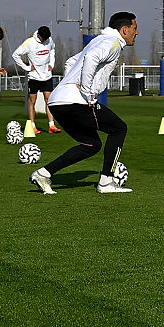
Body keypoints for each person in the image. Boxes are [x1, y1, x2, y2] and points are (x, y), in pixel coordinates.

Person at [31, 11, 140, 193]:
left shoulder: (98, 40)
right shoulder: (113, 43)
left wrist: (70, 85)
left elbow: (70, 62)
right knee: (119, 128)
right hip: (76, 102)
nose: (137, 32)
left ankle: (43, 173)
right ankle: (106, 182)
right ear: (124, 30)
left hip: (58, 102)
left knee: (91, 145)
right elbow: (91, 58)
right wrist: (86, 92)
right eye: (135, 28)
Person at [12, 26, 59, 132]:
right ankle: (32, 126)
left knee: (49, 100)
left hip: (47, 76)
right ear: (38, 35)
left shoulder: (49, 40)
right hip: (34, 77)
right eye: (43, 39)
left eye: (46, 39)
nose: (45, 41)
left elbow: (52, 50)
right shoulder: (29, 42)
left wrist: (52, 64)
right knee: (32, 100)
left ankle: (52, 126)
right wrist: (27, 68)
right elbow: (15, 55)